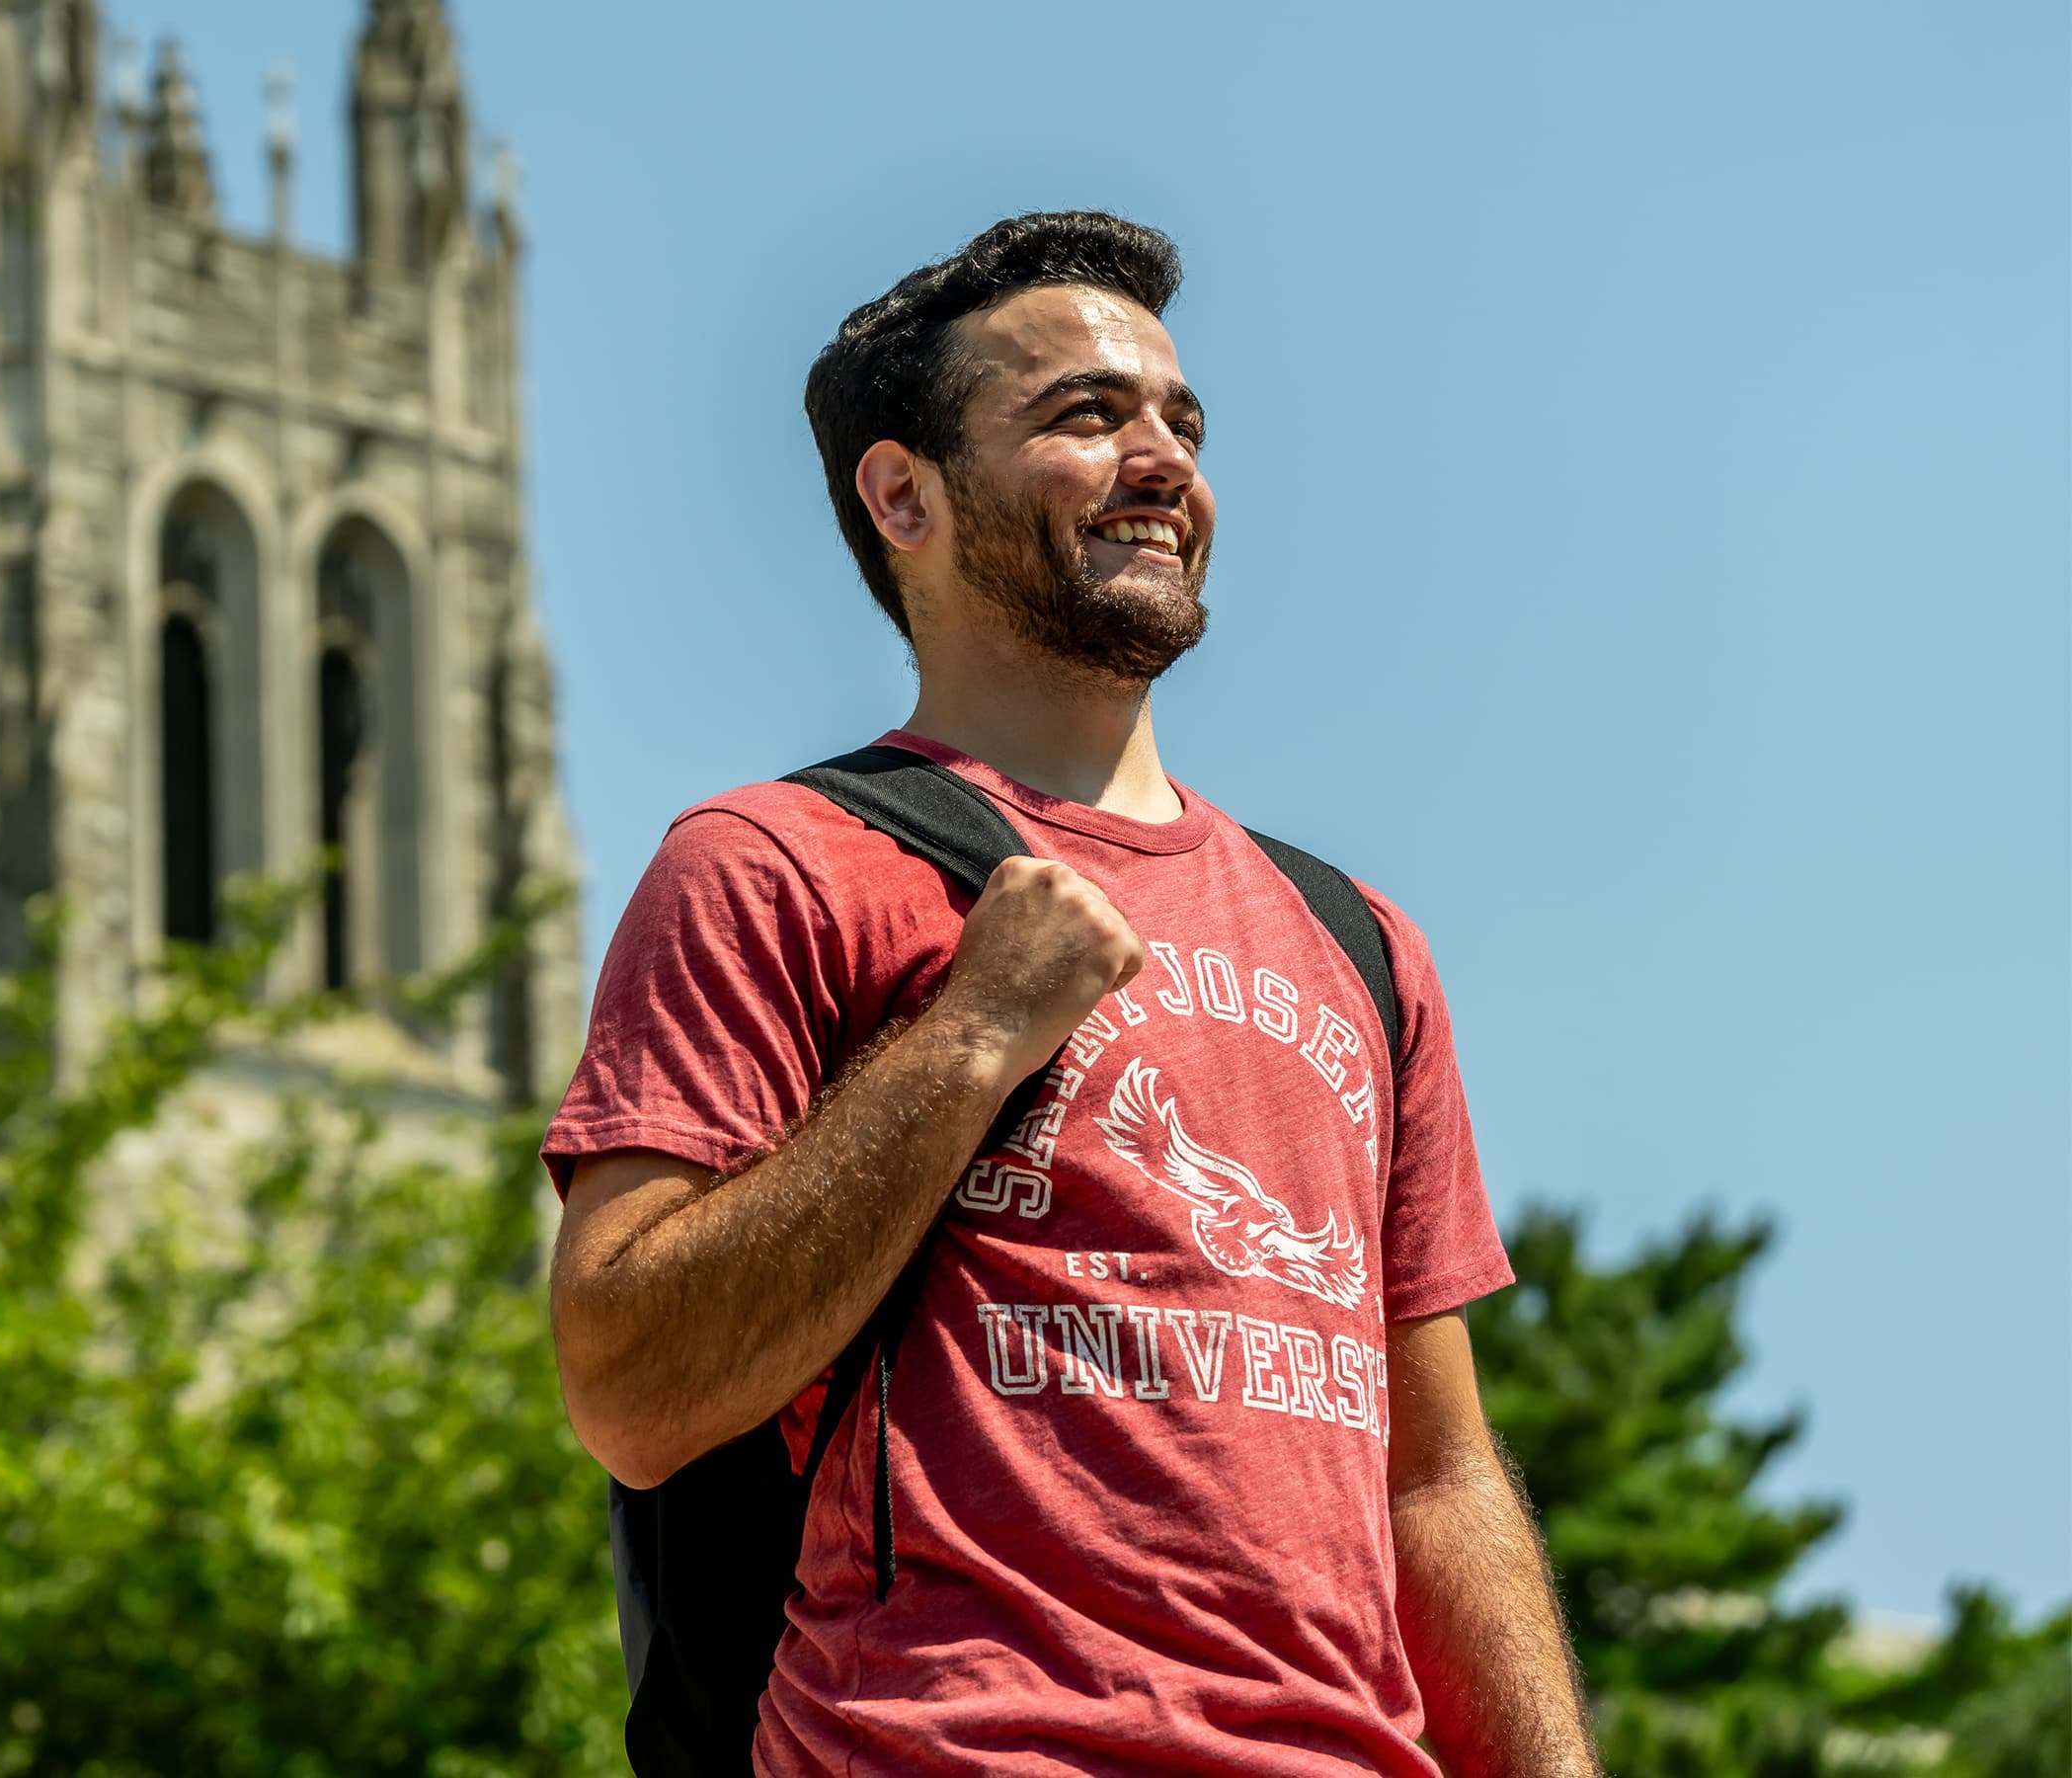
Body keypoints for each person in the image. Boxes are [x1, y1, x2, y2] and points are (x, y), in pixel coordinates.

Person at [543, 212, 1601, 1777]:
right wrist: (974, 1031)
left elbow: (1434, 1482)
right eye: (1086, 418)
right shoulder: (776, 863)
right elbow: (631, 1383)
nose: (1164, 459)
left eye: (1181, 420)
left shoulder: (1360, 941)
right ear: (904, 494)